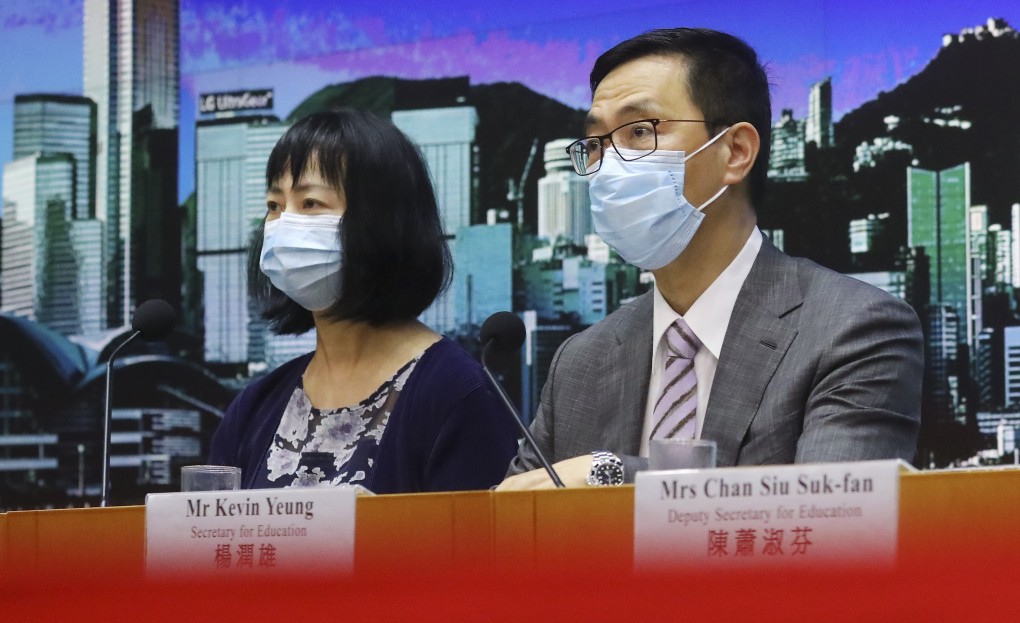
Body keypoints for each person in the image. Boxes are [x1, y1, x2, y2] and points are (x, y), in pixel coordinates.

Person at [499, 28, 923, 490]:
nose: (608, 166)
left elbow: (833, 519)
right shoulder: (580, 362)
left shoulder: (854, 328)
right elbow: (513, 525)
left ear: (736, 152)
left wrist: (615, 474)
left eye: (640, 131)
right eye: (596, 143)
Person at [209, 108, 518, 493]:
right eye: (275, 206)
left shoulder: (456, 394)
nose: (284, 224)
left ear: (383, 222)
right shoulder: (256, 406)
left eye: (310, 204)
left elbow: (481, 546)